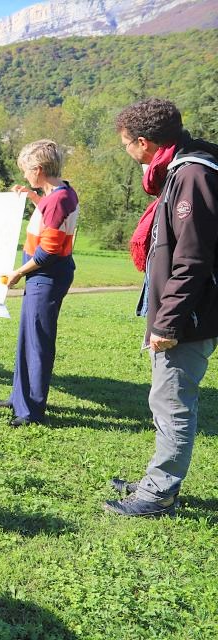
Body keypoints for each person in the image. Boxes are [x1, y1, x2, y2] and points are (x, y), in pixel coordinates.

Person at [104, 98, 218, 518]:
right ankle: (157, 479)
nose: (126, 152)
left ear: (143, 142)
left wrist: (167, 321)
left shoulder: (191, 175)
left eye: (126, 144)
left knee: (172, 401)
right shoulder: (179, 170)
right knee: (164, 398)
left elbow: (191, 258)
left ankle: (158, 493)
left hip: (188, 314)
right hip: (180, 310)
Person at [0, 140, 79, 427]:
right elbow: (50, 215)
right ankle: (19, 397)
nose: (24, 176)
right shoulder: (60, 192)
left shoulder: (57, 201)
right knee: (27, 337)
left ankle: (31, 410)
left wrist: (19, 272)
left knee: (37, 343)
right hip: (45, 275)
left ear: (39, 169)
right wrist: (32, 196)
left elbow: (48, 252)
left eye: (26, 171)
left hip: (46, 276)